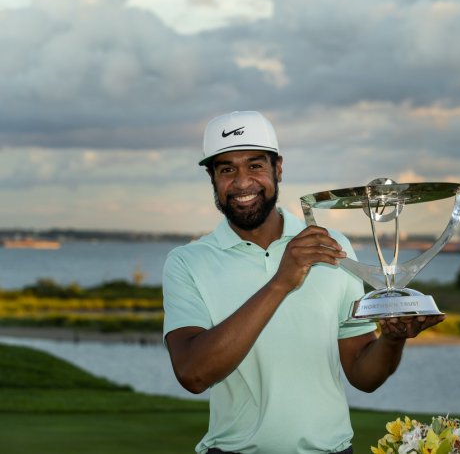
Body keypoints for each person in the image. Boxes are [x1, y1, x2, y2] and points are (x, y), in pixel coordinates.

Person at [162, 111, 444, 454]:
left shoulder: (330, 247)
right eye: (226, 169)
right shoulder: (188, 261)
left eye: (255, 166)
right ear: (212, 178)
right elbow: (193, 374)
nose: (241, 182)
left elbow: (362, 374)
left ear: (278, 168)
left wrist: (392, 340)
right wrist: (281, 281)